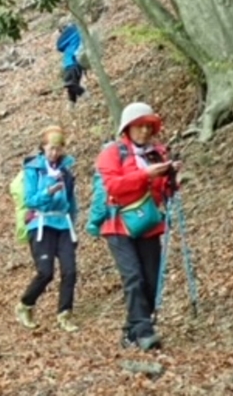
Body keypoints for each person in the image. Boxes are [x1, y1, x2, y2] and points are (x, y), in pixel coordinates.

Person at [89, 102, 182, 350]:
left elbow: (161, 194)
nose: (143, 132)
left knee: (152, 279)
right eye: (138, 127)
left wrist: (170, 178)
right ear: (127, 129)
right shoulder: (112, 153)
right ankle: (144, 332)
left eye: (147, 127)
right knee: (133, 277)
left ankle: (132, 331)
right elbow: (113, 187)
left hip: (147, 223)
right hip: (117, 224)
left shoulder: (156, 154)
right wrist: (146, 175)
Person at [14, 126, 80, 332]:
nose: (55, 153)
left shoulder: (66, 172)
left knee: (70, 271)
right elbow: (30, 199)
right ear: (43, 148)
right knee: (45, 272)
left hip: (63, 224)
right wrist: (49, 192)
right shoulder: (33, 170)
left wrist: (73, 224)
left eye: (58, 148)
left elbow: (71, 201)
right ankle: (25, 305)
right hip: (41, 224)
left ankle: (65, 313)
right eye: (51, 148)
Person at [55, 19, 86, 109]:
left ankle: (86, 96)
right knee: (71, 87)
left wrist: (60, 36)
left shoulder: (70, 31)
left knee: (69, 83)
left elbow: (59, 46)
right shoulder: (79, 29)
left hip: (72, 61)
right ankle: (71, 106)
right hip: (77, 61)